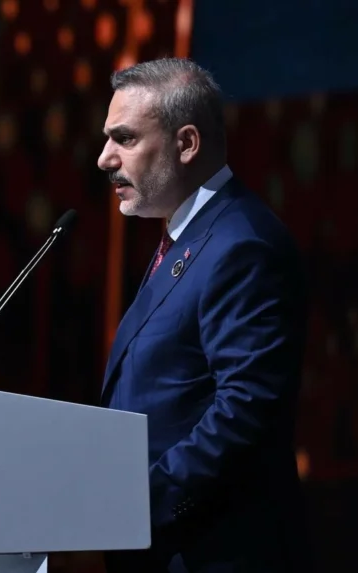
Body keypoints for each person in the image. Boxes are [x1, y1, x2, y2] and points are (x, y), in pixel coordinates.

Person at [97, 58, 311, 572]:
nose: (105, 158)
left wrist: (137, 506)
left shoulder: (241, 245)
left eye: (125, 139)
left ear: (187, 144)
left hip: (215, 553)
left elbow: (245, 410)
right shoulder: (186, 240)